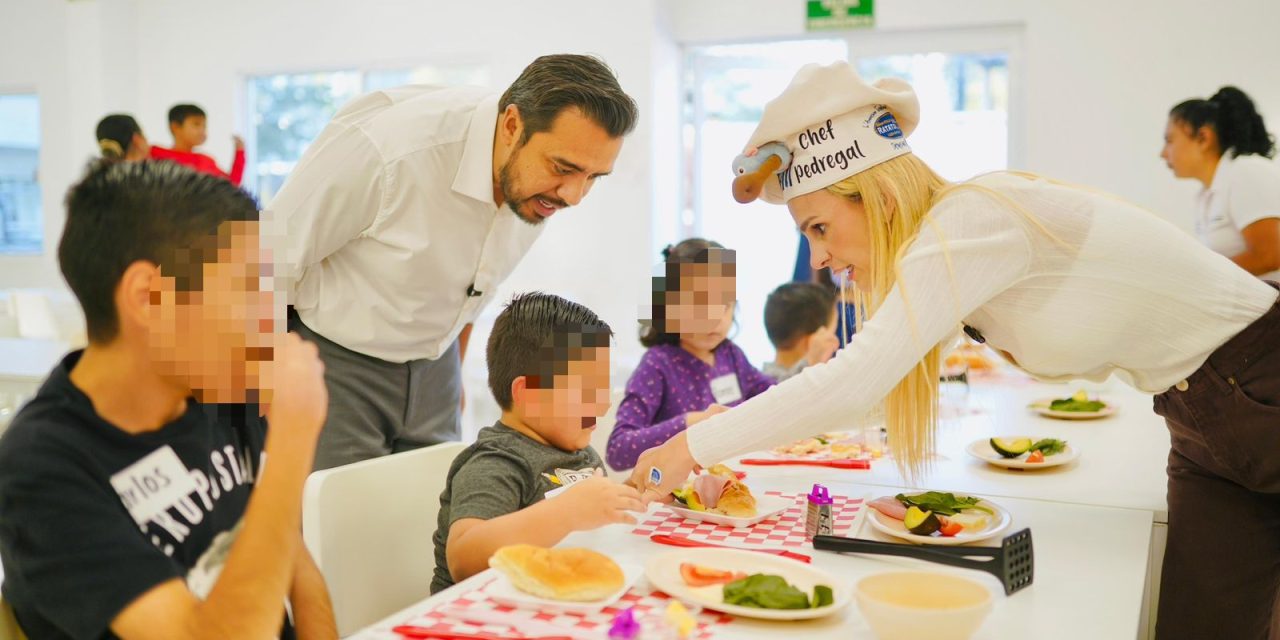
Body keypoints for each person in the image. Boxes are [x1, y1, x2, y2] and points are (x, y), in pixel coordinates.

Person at [627, 61, 1280, 640]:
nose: (819, 260)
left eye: (821, 228)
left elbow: (853, 384)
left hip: (1259, 376)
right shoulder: (953, 237)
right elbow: (874, 380)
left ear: (879, 196)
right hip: (1197, 415)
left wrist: (686, 448)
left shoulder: (968, 221)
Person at [0, 161, 337, 639]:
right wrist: (293, 438)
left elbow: (293, 561)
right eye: (246, 289)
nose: (268, 316)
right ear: (149, 297)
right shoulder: (41, 467)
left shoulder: (220, 391)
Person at [270, 54, 639, 470]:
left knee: (424, 520)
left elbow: (476, 283)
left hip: (436, 366)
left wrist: (453, 374)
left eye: (593, 177)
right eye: (563, 168)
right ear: (512, 125)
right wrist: (276, 384)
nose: (574, 195)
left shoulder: (539, 185)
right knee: (334, 522)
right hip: (336, 364)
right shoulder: (393, 151)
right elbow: (265, 261)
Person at [430, 292, 642, 593]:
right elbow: (463, 559)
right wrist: (568, 511)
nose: (604, 403)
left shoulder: (577, 450)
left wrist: (652, 478)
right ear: (529, 394)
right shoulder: (496, 461)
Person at [605, 239, 774, 471]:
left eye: (724, 305)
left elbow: (772, 396)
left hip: (734, 484)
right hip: (675, 499)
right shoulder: (657, 365)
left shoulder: (730, 355)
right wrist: (690, 423)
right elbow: (618, 451)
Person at [1162, 86, 1280, 279]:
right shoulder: (1205, 195)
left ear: (1203, 138)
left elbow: (1269, 256)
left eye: (1169, 140)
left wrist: (1197, 279)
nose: (1163, 153)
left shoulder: (1246, 171)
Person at [149, 104, 246, 186]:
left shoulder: (206, 161)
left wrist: (239, 152)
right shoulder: (155, 154)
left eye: (204, 126)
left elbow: (231, 185)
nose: (202, 131)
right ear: (175, 127)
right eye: (196, 124)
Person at [761, 281, 839, 381]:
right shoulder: (803, 384)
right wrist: (812, 363)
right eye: (832, 332)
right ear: (816, 339)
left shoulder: (756, 382)